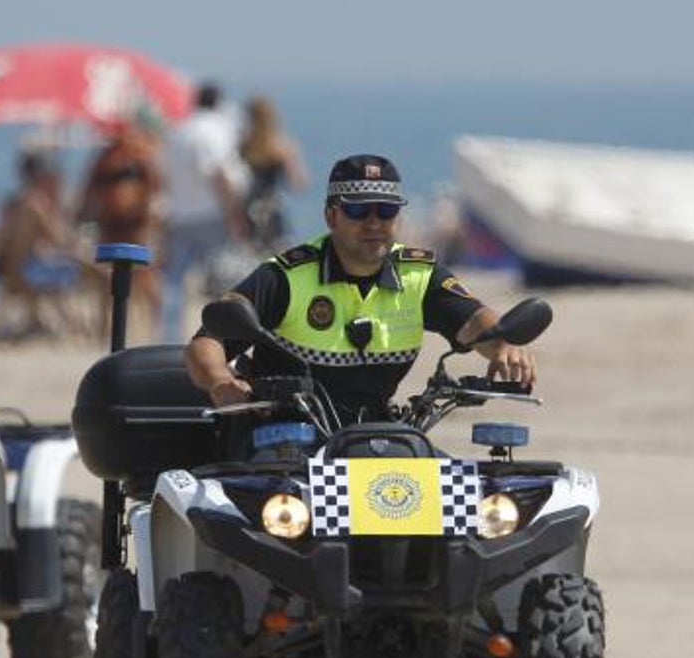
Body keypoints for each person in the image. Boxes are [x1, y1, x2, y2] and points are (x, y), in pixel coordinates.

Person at [186, 154, 535, 426]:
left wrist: (503, 345)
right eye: (358, 210)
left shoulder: (418, 275)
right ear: (331, 216)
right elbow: (207, 341)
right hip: (284, 437)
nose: (374, 223)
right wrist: (220, 381)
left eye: (386, 211)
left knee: (468, 502)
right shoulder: (287, 276)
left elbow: (473, 319)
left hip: (377, 436)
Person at [159, 81, 250, 343]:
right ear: (217, 102)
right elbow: (219, 174)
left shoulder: (178, 131)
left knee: (174, 282)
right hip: (210, 215)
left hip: (178, 215)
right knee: (221, 280)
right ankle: (223, 335)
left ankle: (170, 336)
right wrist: (235, 214)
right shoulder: (213, 130)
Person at [77, 110, 163, 338]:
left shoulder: (140, 155)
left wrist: (151, 219)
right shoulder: (103, 158)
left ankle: (156, 326)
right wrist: (82, 216)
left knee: (145, 276)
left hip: (136, 223)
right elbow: (90, 189)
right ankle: (104, 328)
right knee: (108, 276)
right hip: (110, 222)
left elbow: (155, 187)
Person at [0, 148, 87, 337]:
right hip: (28, 275)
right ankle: (73, 326)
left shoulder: (13, 204)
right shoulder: (38, 205)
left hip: (8, 271)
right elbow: (58, 239)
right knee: (78, 270)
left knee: (65, 265)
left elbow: (0, 240)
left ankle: (35, 321)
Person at [238, 95, 310, 251]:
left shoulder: (243, 145)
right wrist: (295, 156)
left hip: (248, 206)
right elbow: (299, 184)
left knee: (251, 258)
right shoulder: (281, 147)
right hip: (271, 208)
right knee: (278, 256)